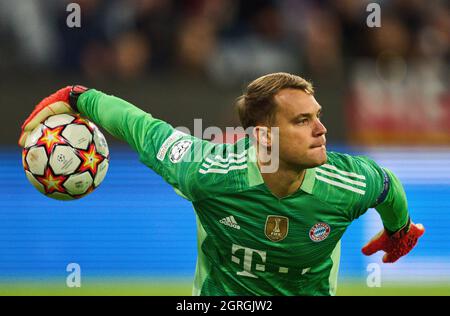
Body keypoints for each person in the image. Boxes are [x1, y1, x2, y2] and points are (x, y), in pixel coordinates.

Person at [18, 72, 424, 295]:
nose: (321, 129)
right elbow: (140, 127)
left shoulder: (348, 182)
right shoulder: (208, 173)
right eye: (302, 121)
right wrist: (76, 96)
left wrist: (399, 231)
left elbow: (387, 187)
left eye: (316, 115)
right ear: (264, 135)